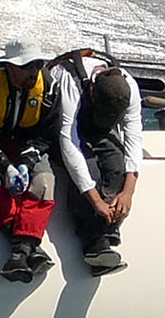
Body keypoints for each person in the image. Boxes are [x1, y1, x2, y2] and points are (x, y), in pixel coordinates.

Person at [0, 40, 74, 284]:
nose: (33, 72)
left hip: (27, 143)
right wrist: (4, 165)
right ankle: (24, 244)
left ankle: (19, 252)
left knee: (45, 181)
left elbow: (47, 134)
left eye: (37, 65)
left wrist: (26, 160)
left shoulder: (49, 88)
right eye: (27, 66)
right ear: (10, 67)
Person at [55, 48, 146, 274]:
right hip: (60, 125)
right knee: (89, 168)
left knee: (117, 163)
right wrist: (95, 200)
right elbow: (69, 142)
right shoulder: (70, 81)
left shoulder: (129, 87)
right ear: (93, 91)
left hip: (97, 128)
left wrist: (128, 192)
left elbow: (134, 136)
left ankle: (109, 223)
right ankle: (94, 243)